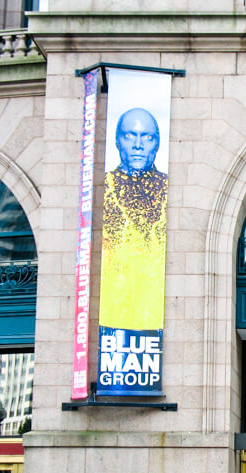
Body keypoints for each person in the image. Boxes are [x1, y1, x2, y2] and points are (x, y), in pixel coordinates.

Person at [99, 107, 169, 331]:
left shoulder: (166, 188)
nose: (138, 145)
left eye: (147, 137)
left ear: (157, 144)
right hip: (115, 311)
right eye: (130, 135)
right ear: (117, 141)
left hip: (151, 309)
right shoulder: (106, 186)